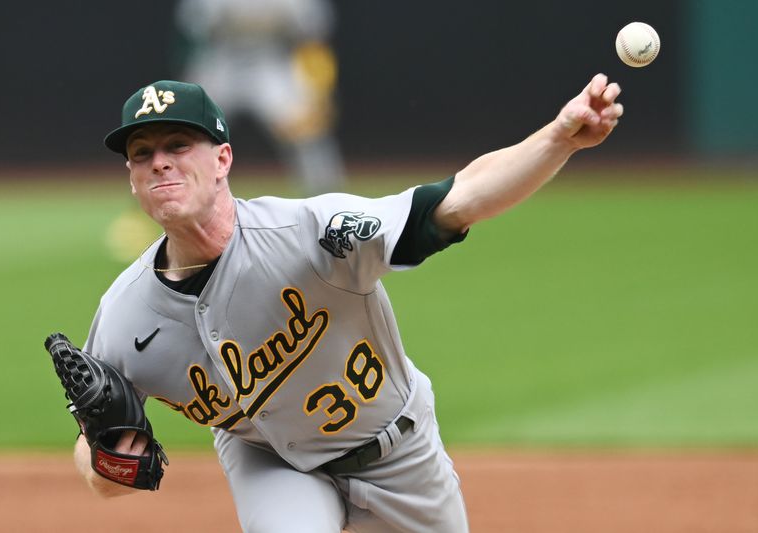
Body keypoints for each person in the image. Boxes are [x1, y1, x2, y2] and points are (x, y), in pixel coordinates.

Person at [74, 73, 622, 532]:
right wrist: (108, 459)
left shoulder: (310, 233)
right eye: (142, 154)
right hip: (271, 461)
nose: (159, 163)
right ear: (132, 179)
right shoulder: (123, 317)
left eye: (177, 146)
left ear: (222, 159)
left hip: (397, 450)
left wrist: (560, 139)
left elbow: (459, 200)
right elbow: (96, 461)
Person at [173, 0, 346, 195]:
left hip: (271, 60)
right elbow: (193, 32)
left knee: (304, 126)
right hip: (222, 59)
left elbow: (313, 33)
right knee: (190, 122)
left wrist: (314, 84)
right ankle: (175, 187)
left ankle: (325, 194)